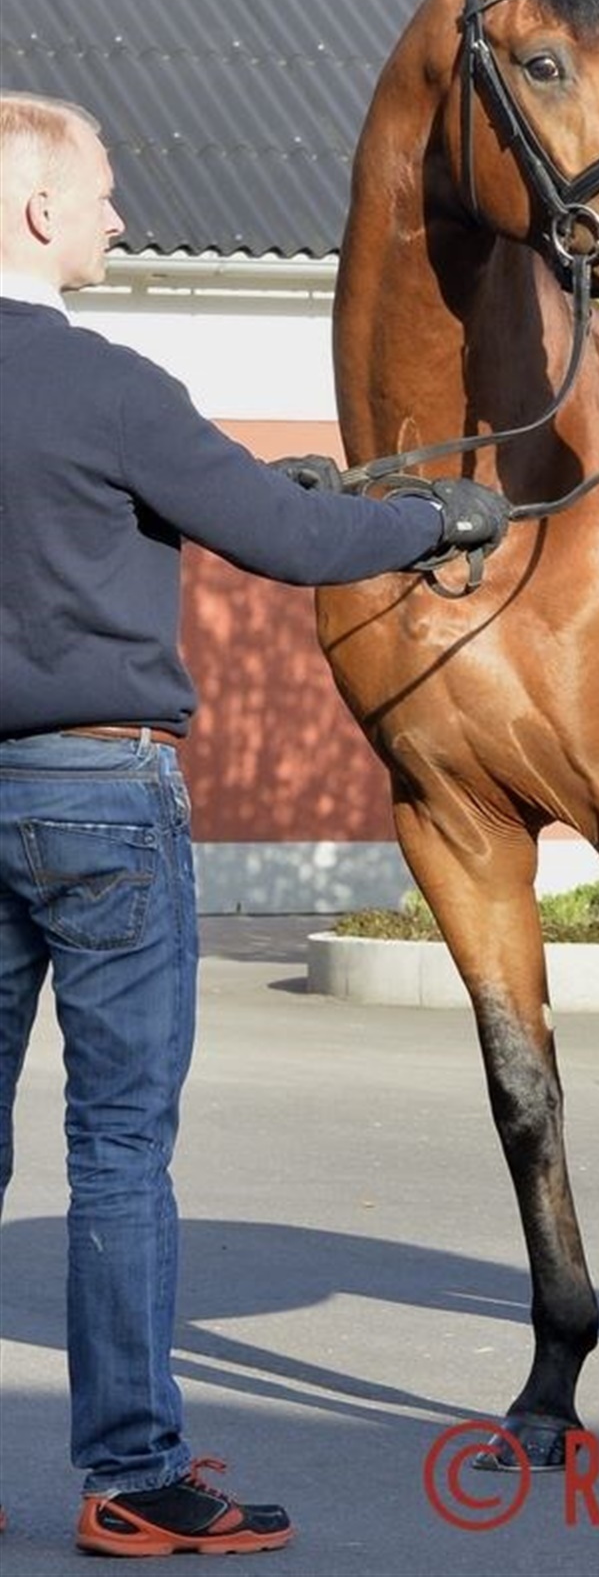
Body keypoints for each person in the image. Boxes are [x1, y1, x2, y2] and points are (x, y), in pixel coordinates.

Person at [0, 92, 509, 1556]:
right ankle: (133, 1475)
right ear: (39, 209)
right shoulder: (111, 386)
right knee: (117, 1147)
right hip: (101, 797)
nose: (118, 217)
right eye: (101, 191)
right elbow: (289, 539)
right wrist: (437, 520)